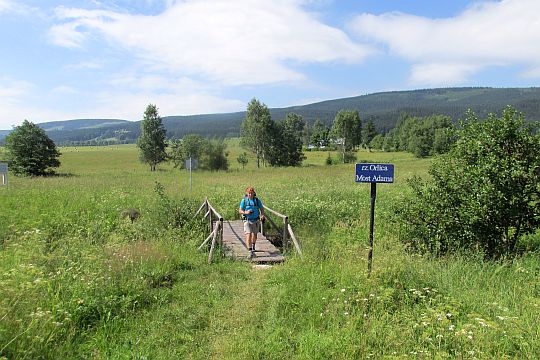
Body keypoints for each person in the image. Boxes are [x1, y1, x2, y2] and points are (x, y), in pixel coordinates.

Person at [239, 186, 265, 257]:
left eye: (251, 193)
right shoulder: (244, 200)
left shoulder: (257, 200)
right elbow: (240, 210)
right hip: (247, 220)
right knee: (248, 234)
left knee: (255, 235)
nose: (250, 194)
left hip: (256, 220)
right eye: (249, 193)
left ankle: (253, 245)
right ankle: (250, 251)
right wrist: (246, 212)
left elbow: (262, 209)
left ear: (254, 193)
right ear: (247, 194)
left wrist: (262, 215)